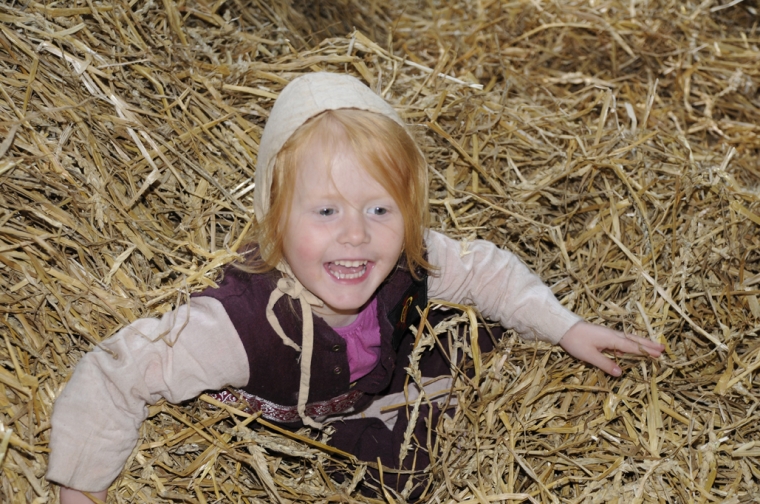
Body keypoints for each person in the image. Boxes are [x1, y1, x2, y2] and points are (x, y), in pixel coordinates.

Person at [48, 72, 664, 503]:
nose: (355, 236)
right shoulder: (235, 326)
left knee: (475, 331)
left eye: (379, 210)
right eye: (325, 212)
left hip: (378, 380)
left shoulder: (407, 260)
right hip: (300, 416)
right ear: (274, 220)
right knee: (396, 472)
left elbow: (486, 269)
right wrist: (81, 484)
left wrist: (567, 327)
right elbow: (117, 373)